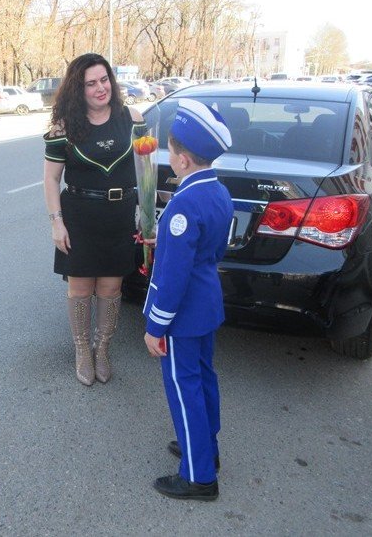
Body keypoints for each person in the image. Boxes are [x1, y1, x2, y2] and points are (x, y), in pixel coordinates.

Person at [142, 99, 233, 501]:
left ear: (181, 159)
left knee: (184, 388)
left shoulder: (182, 203)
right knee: (203, 379)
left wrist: (155, 325)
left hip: (182, 313)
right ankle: (205, 449)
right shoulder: (218, 191)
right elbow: (213, 250)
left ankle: (198, 477)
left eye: (171, 150)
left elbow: (173, 276)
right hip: (207, 304)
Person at [43, 53, 144, 386]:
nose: (100, 88)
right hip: (80, 216)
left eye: (104, 80)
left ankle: (103, 348)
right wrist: (57, 222)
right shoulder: (63, 128)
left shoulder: (132, 117)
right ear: (78, 89)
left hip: (120, 216)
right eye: (91, 83)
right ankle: (83, 348)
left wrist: (147, 216)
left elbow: (146, 172)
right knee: (81, 287)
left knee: (111, 287)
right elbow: (51, 180)